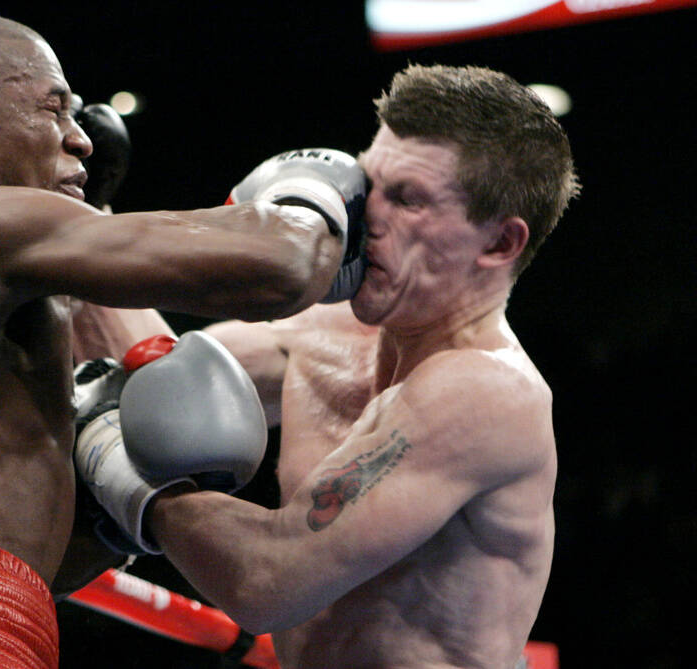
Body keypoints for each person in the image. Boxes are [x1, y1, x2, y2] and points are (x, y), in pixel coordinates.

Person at [0, 12, 368, 669]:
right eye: (53, 109)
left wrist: (109, 509)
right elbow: (281, 266)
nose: (83, 141)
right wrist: (310, 196)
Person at [75, 63, 580, 668]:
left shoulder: (487, 391)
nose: (366, 216)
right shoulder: (327, 332)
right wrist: (79, 220)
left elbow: (266, 580)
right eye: (371, 181)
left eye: (408, 199)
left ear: (499, 244)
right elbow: (158, 375)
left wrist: (110, 458)